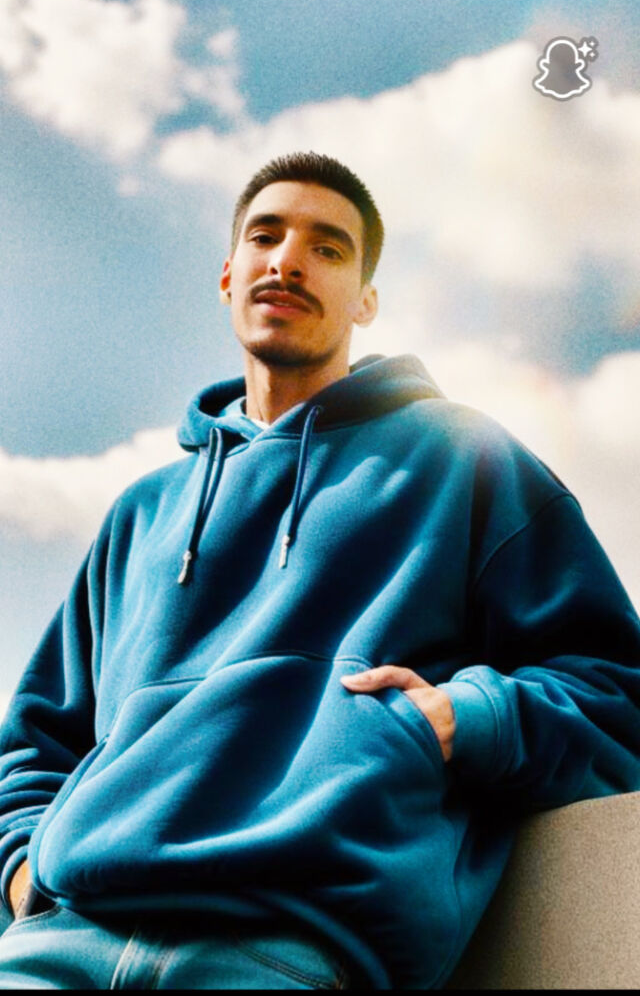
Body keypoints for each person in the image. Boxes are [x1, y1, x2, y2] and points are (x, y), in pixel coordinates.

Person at [0, 151, 639, 990]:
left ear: (366, 299)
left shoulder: (461, 459)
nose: (289, 260)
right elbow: (36, 739)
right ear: (228, 275)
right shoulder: (142, 511)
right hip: (57, 949)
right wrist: (25, 872)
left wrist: (461, 717)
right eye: (265, 236)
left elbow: (617, 690)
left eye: (328, 247)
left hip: (284, 953)